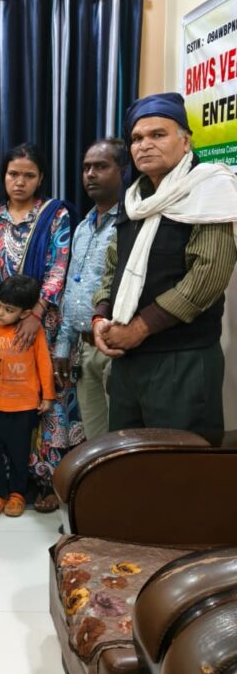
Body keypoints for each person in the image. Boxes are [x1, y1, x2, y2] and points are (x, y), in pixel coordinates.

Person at [93, 92, 237, 444]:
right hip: (128, 359)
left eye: (158, 135)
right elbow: (113, 264)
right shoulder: (134, 198)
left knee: (178, 468)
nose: (144, 145)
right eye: (137, 138)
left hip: (181, 361)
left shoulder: (210, 188)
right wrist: (101, 316)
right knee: (128, 463)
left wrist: (141, 327)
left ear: (186, 141)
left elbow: (209, 274)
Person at [0, 142, 76, 512]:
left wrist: (36, 314)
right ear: (3, 176)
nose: (20, 181)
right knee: (3, 396)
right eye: (13, 174)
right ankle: (2, 484)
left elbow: (59, 267)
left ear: (40, 178)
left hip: (40, 326)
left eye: (28, 175)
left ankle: (45, 482)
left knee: (43, 400)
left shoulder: (54, 215)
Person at [53, 139, 126, 439]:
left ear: (122, 170)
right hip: (84, 350)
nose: (91, 174)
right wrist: (63, 346)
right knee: (97, 442)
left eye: (101, 166)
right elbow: (73, 290)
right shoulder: (83, 227)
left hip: (116, 350)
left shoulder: (131, 223)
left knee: (122, 439)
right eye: (86, 168)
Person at [0, 275, 56, 518]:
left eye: (8, 309)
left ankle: (18, 493)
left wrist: (48, 396)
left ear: (25, 313)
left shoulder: (33, 331)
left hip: (24, 406)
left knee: (19, 453)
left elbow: (44, 362)